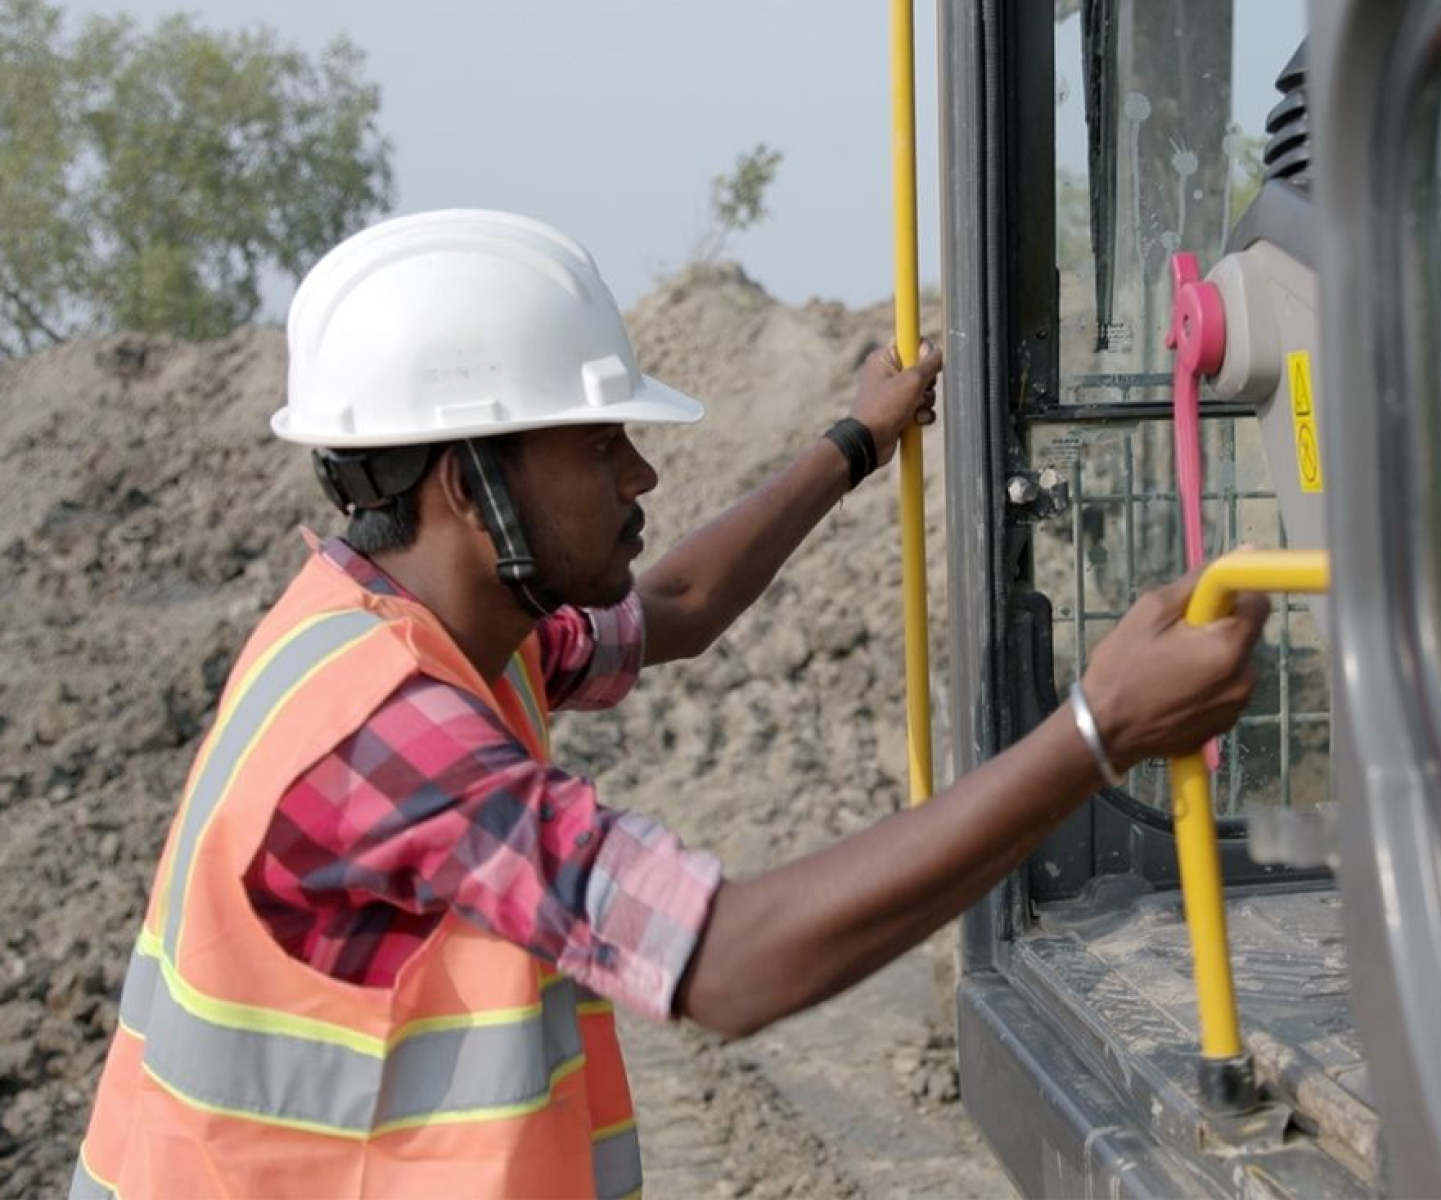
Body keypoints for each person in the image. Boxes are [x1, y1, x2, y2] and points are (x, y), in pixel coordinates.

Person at [68, 209, 1269, 1199]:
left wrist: (853, 441)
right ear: (463, 478)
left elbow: (674, 607)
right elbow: (729, 964)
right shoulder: (386, 733)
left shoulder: (411, 633)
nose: (638, 473)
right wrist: (1097, 731)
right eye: (598, 448)